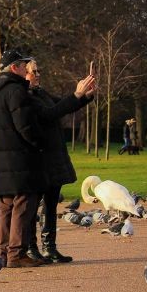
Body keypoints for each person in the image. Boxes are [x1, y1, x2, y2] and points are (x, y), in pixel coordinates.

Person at [23, 60, 96, 264]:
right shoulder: (26, 97)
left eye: (38, 71)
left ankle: (50, 247)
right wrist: (77, 94)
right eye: (33, 72)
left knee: (51, 203)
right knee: (32, 205)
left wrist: (85, 95)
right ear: (23, 74)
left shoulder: (40, 93)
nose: (38, 75)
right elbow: (50, 114)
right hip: (39, 158)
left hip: (53, 157)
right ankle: (31, 247)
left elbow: (62, 106)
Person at [0, 49, 45, 269]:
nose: (28, 69)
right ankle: (16, 254)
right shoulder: (16, 90)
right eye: (24, 65)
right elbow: (25, 126)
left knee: (7, 205)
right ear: (15, 67)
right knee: (23, 204)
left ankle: (3, 253)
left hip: (0, 157)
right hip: (19, 157)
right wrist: (39, 143)